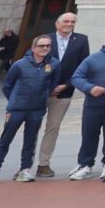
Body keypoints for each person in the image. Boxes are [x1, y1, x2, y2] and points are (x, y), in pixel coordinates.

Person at [0, 36, 58, 184]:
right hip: (17, 109)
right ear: (33, 48)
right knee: (5, 139)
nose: (45, 48)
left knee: (30, 140)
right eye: (41, 46)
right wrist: (14, 100)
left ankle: (25, 169)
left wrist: (43, 98)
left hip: (37, 109)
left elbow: (52, 84)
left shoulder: (54, 64)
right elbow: (7, 85)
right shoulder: (20, 65)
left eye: (48, 46)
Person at [34, 11, 88, 178]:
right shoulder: (46, 39)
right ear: (57, 24)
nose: (69, 24)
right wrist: (48, 86)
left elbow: (83, 66)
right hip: (41, 91)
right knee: (32, 127)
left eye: (72, 22)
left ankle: (44, 163)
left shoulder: (81, 40)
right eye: (66, 21)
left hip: (64, 92)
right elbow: (34, 62)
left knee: (53, 128)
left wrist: (67, 85)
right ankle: (25, 164)